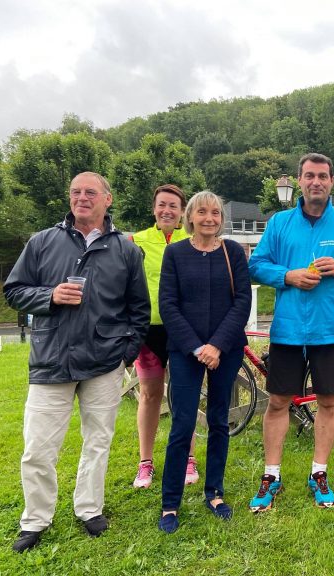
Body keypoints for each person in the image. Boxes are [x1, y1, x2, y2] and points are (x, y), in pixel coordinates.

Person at [4, 172, 150, 552]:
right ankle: (35, 519)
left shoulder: (126, 250)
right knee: (38, 446)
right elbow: (14, 291)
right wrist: (49, 295)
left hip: (104, 361)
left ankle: (89, 508)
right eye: (75, 192)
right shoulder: (42, 241)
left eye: (90, 192)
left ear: (108, 199)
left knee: (98, 441)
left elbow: (139, 310)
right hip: (51, 359)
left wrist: (126, 354)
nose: (81, 198)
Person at [247, 153, 334, 511]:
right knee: (277, 402)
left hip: (330, 329)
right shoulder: (279, 223)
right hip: (288, 328)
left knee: (329, 401)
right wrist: (286, 276)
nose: (315, 181)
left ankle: (318, 472)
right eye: (309, 176)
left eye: (322, 176)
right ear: (300, 180)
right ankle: (271, 475)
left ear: (332, 181)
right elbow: (256, 265)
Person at [157, 191, 252, 533]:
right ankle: (170, 502)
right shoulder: (175, 253)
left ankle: (214, 492)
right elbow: (168, 305)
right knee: (182, 424)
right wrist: (198, 347)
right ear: (190, 217)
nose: (209, 218)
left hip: (226, 349)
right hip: (186, 351)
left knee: (218, 422)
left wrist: (216, 345)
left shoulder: (234, 254)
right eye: (202, 212)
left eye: (215, 213)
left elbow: (242, 302)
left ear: (221, 219)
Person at [130, 184, 200, 489]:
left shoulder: (194, 240)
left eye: (173, 206)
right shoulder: (136, 241)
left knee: (186, 395)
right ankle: (145, 463)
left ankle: (188, 458)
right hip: (149, 330)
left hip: (184, 330)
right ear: (154, 208)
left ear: (182, 211)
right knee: (149, 395)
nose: (167, 211)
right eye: (162, 205)